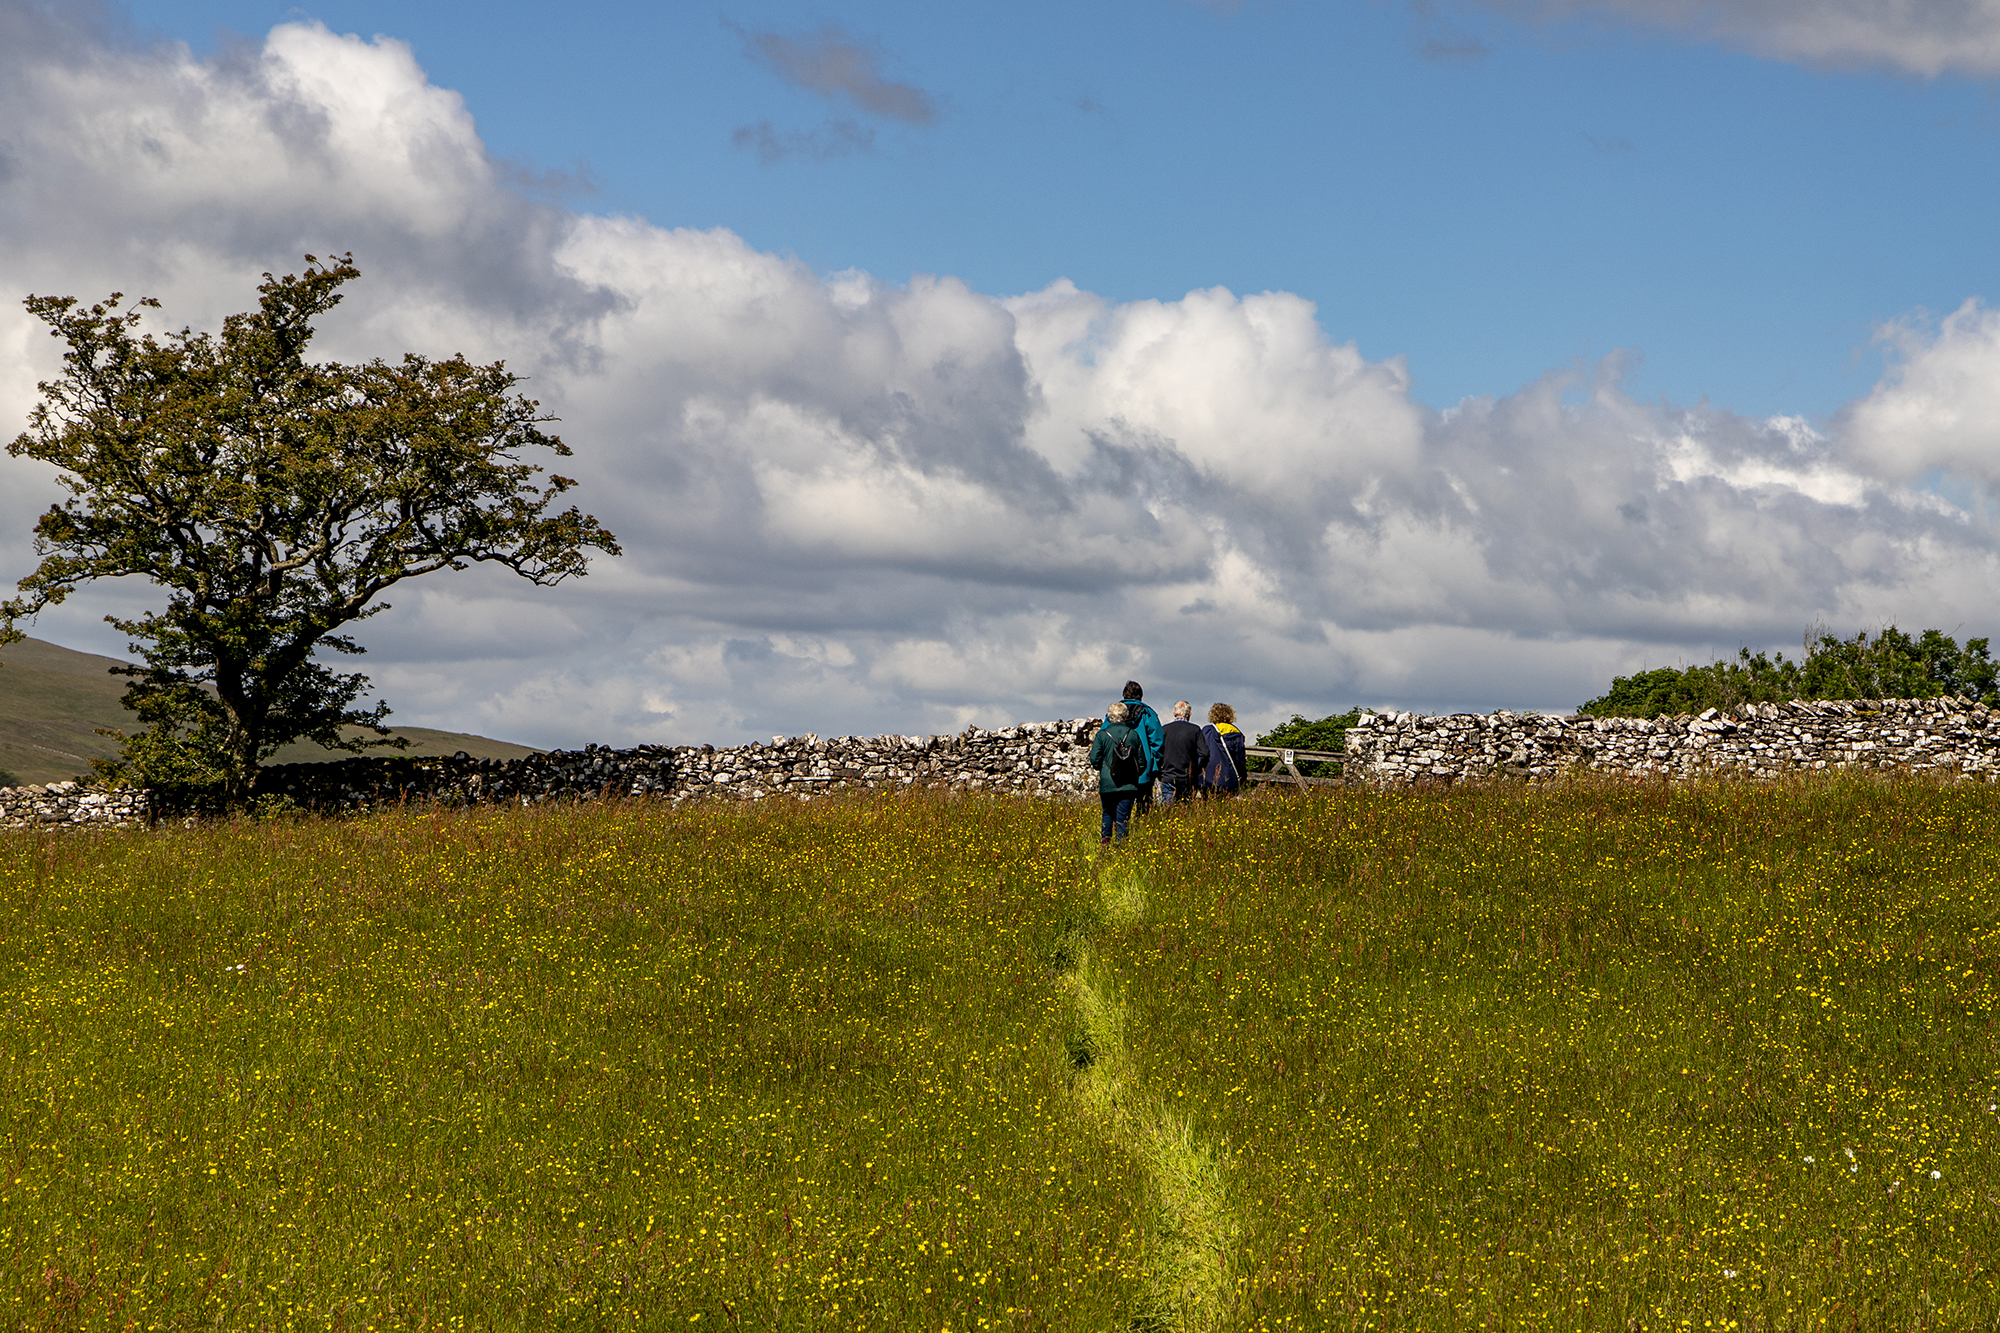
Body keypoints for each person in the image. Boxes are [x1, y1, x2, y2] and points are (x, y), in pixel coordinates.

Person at [1089, 701, 1146, 844]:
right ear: (1125, 716)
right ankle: (1121, 846)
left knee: (1107, 813)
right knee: (1123, 816)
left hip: (1108, 782)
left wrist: (1103, 769)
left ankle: (1105, 843)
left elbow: (1094, 759)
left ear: (1109, 717)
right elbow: (1142, 762)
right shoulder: (1133, 735)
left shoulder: (1101, 735)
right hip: (1128, 783)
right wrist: (1134, 773)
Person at [1108, 681, 1164, 814]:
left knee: (1119, 808)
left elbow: (1104, 737)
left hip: (1116, 769)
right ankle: (1143, 830)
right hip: (1142, 769)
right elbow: (1158, 741)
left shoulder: (1113, 713)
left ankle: (1121, 830)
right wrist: (1154, 764)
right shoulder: (1148, 714)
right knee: (1144, 807)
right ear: (1141, 696)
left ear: (1124, 694)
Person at [1157, 700, 1210, 807]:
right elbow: (1205, 753)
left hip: (1168, 776)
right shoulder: (1195, 730)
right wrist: (1197, 769)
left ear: (1174, 713)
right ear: (1189, 713)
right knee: (1185, 811)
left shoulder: (1165, 729)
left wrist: (1160, 772)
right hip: (1188, 777)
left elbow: (1157, 752)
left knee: (1168, 812)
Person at [1200, 702, 1247, 796]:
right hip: (1228, 778)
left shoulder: (1207, 730)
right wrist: (1242, 777)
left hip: (1206, 777)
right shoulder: (1236, 733)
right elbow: (1239, 760)